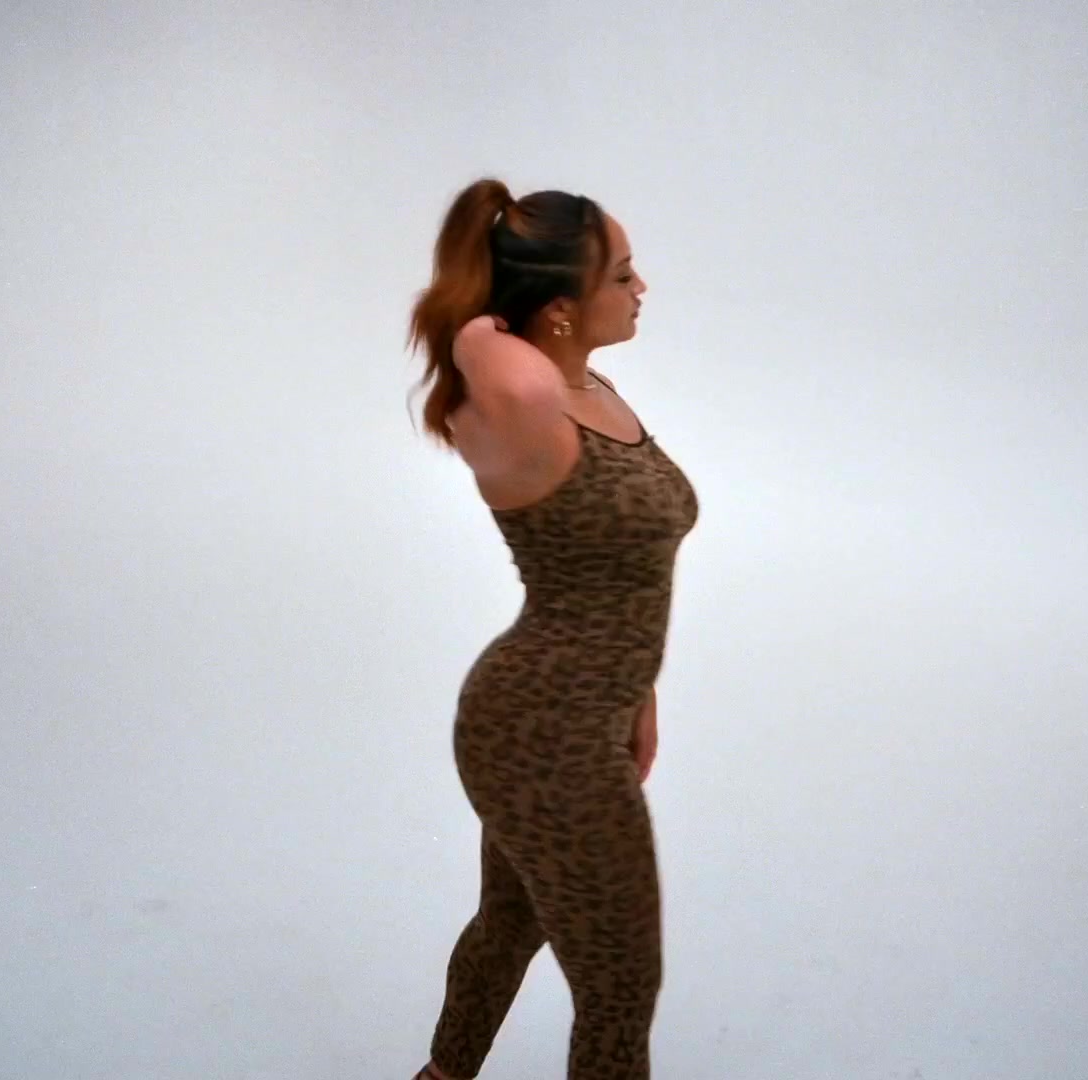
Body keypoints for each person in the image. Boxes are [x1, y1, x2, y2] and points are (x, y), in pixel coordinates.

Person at [404, 177, 698, 1080]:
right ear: (561, 307)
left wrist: (638, 694)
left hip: (574, 713)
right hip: (545, 730)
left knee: (511, 924)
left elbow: (617, 572)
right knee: (619, 989)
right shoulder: (521, 402)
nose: (641, 288)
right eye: (621, 274)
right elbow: (491, 355)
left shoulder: (586, 387)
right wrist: (476, 322)